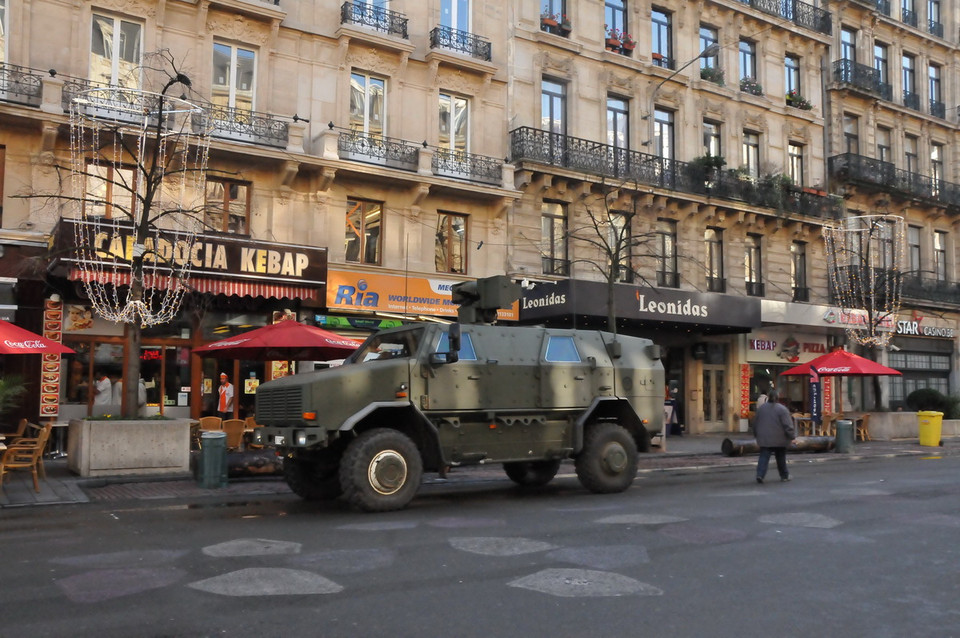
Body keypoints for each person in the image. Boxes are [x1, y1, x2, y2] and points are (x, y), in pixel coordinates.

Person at [754, 389, 796, 484]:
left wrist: (756, 435)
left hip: (764, 438)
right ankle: (784, 475)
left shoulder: (761, 409)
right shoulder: (782, 409)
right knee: (781, 458)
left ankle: (760, 474)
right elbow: (788, 425)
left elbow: (755, 423)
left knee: (764, 457)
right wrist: (792, 437)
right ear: (778, 398)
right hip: (780, 438)